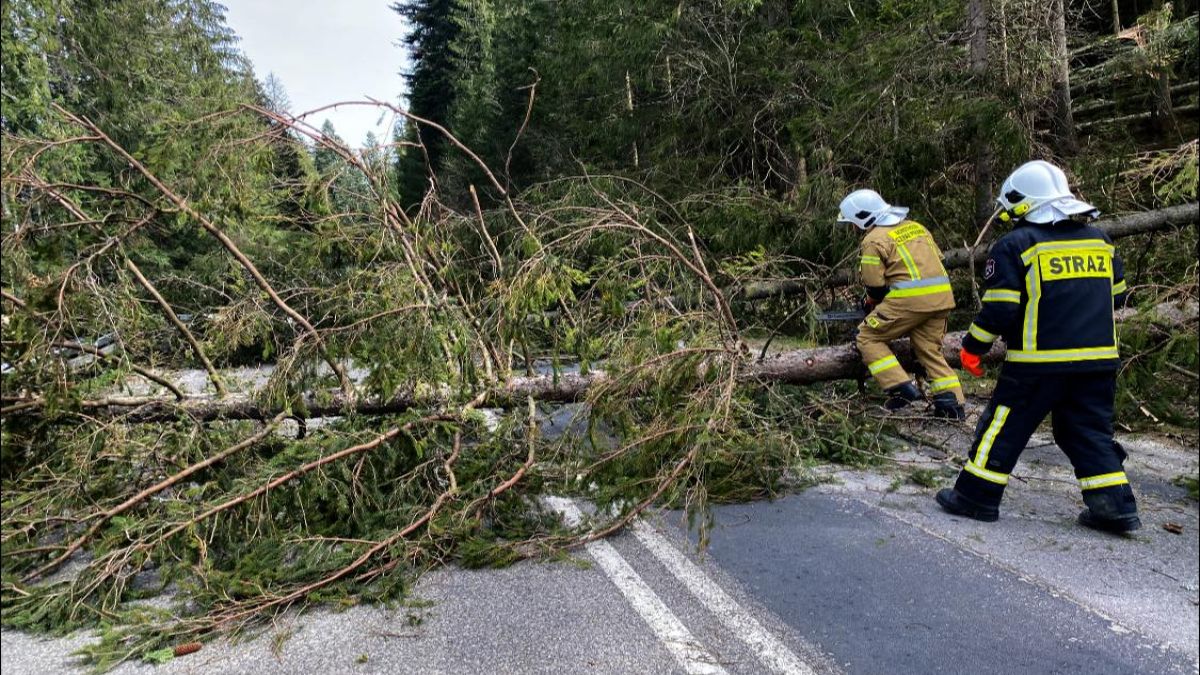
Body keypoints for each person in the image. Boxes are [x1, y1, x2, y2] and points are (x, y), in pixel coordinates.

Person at [936, 159, 1140, 533]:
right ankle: (1115, 507)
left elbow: (1000, 309)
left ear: (1022, 203)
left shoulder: (1016, 245)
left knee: (1003, 428)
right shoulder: (1101, 242)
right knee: (1088, 432)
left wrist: (972, 347)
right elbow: (1118, 300)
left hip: (1037, 364)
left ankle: (975, 498)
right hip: (1098, 362)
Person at [838, 189, 966, 419]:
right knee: (929, 350)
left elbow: (875, 286)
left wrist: (872, 305)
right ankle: (952, 405)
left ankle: (900, 388)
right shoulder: (917, 227)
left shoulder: (873, 240)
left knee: (867, 337)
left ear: (862, 217)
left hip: (909, 301)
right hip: (942, 298)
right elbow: (937, 261)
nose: (853, 228)